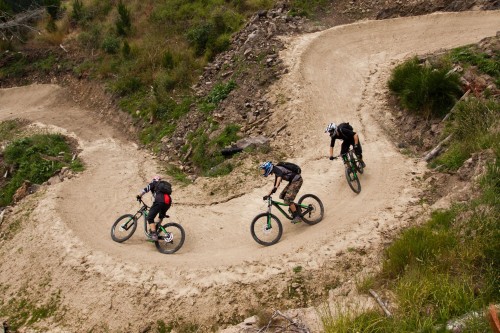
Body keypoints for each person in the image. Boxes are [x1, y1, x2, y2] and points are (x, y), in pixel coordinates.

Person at [136, 175, 171, 241]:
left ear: (154, 179)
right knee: (161, 216)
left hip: (159, 201)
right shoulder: (163, 188)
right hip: (168, 202)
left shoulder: (154, 183)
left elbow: (145, 190)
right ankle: (156, 229)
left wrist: (139, 196)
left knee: (150, 217)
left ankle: (154, 234)